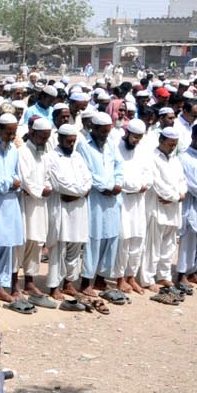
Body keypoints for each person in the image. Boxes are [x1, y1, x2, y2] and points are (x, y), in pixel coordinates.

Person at [78, 112, 124, 300]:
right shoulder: (83, 146)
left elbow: (119, 167)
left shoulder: (111, 145)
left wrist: (117, 184)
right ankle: (85, 281)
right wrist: (104, 187)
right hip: (95, 198)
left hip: (112, 199)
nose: (105, 135)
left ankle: (101, 278)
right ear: (94, 129)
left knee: (111, 238)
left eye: (108, 131)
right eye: (102, 132)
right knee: (93, 238)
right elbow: (86, 171)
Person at [44, 124, 91, 308]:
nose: (71, 144)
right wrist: (80, 191)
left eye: (73, 141)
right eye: (68, 141)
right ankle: (54, 286)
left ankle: (69, 283)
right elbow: (59, 183)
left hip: (78, 208)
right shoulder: (51, 157)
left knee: (75, 248)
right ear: (60, 139)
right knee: (59, 248)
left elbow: (88, 179)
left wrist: (78, 193)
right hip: (61, 208)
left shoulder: (78, 157)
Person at [0, 113, 27, 312]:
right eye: (8, 132)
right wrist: (10, 182)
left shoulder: (13, 150)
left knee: (7, 246)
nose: (11, 137)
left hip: (10, 203)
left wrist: (14, 182)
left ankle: (1, 286)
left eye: (14, 133)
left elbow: (17, 174)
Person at [144, 127, 186, 301]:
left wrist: (180, 195)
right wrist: (175, 196)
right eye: (170, 144)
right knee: (153, 245)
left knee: (169, 246)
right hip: (158, 207)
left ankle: (164, 276)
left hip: (173, 208)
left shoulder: (175, 160)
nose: (172, 147)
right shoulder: (153, 158)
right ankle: (148, 278)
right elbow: (157, 184)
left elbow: (183, 181)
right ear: (161, 141)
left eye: (175, 145)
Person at [16, 117, 54, 307]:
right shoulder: (22, 152)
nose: (44, 141)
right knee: (22, 242)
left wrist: (46, 187)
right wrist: (40, 190)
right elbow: (25, 180)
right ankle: (15, 283)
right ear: (32, 133)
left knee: (37, 243)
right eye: (42, 137)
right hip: (26, 203)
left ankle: (29, 282)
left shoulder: (44, 152)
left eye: (47, 138)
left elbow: (48, 175)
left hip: (40, 205)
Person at [113, 119, 153, 295]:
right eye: (134, 137)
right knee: (123, 239)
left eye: (139, 138)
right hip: (122, 200)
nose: (136, 141)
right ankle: (119, 278)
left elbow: (149, 173)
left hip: (138, 200)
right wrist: (134, 186)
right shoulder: (116, 148)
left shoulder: (142, 150)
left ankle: (131, 277)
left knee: (138, 238)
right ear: (127, 133)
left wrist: (145, 184)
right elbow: (118, 176)